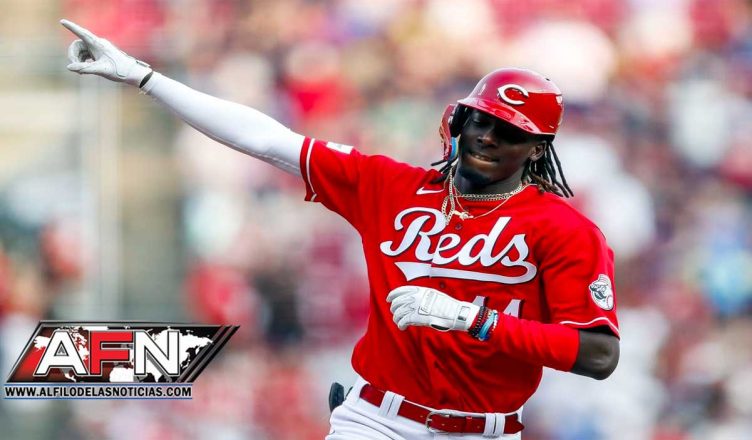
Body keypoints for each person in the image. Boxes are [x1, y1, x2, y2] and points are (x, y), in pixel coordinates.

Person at [60, 19, 620, 440]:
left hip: (486, 429)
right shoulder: (390, 186)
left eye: (510, 132)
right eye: (482, 120)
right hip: (377, 420)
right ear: (458, 119)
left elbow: (597, 355)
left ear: (537, 149)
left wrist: (472, 320)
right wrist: (145, 77)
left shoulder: (564, 230)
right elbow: (267, 140)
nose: (489, 137)